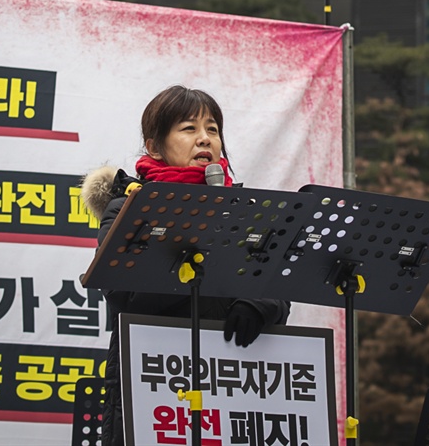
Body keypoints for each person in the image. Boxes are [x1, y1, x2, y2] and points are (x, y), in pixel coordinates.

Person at [81, 84, 291, 446]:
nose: (204, 139)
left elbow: (278, 285)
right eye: (189, 128)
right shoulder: (127, 209)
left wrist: (258, 304)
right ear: (154, 146)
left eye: (212, 129)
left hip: (232, 385)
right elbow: (122, 294)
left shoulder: (244, 210)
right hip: (156, 385)